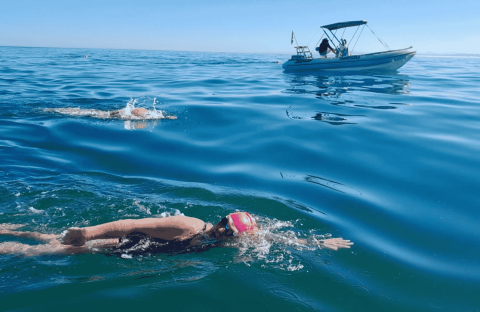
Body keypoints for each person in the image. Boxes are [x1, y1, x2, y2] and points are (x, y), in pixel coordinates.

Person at [0, 212, 353, 256]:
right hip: (122, 241)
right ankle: (8, 243)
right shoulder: (188, 225)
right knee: (55, 248)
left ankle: (9, 230)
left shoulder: (222, 239)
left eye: (229, 232)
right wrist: (88, 233)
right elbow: (129, 225)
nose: (222, 232)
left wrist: (313, 242)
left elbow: (266, 239)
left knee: (51, 238)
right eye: (223, 224)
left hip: (145, 250)